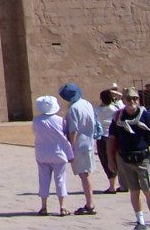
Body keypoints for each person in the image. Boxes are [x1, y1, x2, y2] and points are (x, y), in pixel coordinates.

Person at [107, 87, 150, 230]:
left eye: (135, 98)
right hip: (125, 159)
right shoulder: (118, 116)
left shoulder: (145, 116)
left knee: (148, 191)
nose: (132, 101)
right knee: (134, 191)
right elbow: (111, 138)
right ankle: (140, 221)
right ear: (123, 100)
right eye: (129, 99)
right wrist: (110, 159)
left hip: (142, 158)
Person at [33, 95, 75, 216]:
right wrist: (70, 154)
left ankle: (43, 207)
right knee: (60, 179)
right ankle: (62, 206)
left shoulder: (36, 121)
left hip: (42, 153)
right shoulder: (60, 120)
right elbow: (64, 137)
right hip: (58, 153)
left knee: (43, 180)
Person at [60, 82, 97, 215]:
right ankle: (90, 202)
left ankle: (90, 204)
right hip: (89, 142)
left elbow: (73, 131)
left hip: (79, 145)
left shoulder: (73, 109)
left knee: (84, 175)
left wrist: (70, 148)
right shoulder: (87, 104)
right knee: (87, 174)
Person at [96, 89, 121, 194]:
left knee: (106, 161)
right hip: (115, 137)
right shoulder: (116, 108)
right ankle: (123, 184)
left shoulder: (96, 110)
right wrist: (116, 94)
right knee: (118, 160)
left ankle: (112, 186)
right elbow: (122, 98)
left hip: (102, 137)